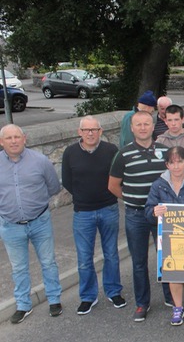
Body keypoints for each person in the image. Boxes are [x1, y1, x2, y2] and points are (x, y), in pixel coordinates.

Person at [108, 111, 173, 322]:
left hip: (162, 215)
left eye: (147, 124)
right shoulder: (123, 154)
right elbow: (113, 186)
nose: (143, 127)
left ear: (153, 127)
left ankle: (170, 297)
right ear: (132, 128)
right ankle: (142, 303)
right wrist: (132, 200)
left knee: (167, 258)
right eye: (139, 124)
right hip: (136, 215)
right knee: (138, 262)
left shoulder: (165, 151)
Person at [62, 116, 126, 315]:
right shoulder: (70, 152)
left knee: (112, 254)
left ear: (101, 131)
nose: (90, 133)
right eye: (86, 130)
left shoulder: (111, 151)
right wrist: (83, 197)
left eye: (94, 129)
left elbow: (118, 177)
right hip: (83, 212)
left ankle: (113, 291)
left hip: (108, 209)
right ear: (79, 132)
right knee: (84, 258)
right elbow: (67, 181)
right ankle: (88, 296)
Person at [0, 124, 63, 324]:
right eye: (8, 138)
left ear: (24, 138)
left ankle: (54, 300)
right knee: (18, 268)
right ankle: (23, 305)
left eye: (17, 137)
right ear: (2, 142)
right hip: (10, 225)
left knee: (48, 262)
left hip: (40, 222)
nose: (13, 141)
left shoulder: (40, 161)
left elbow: (54, 186)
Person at [145, 146, 184, 326]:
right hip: (169, 236)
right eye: (172, 162)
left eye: (180, 161)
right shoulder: (158, 184)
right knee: (173, 272)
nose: (176, 166)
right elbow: (148, 210)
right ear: (167, 165)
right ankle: (178, 307)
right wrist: (154, 211)